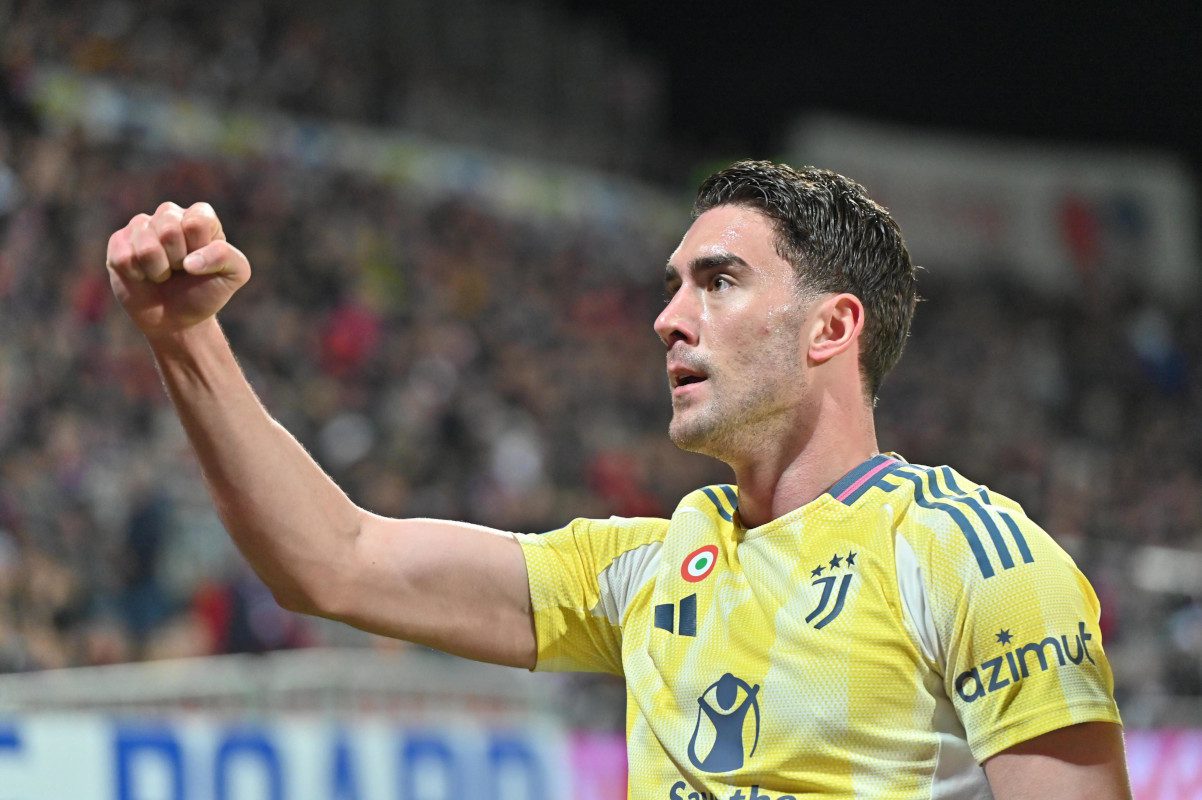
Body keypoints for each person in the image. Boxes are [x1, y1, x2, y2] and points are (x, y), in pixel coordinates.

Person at [105, 160, 1131, 799]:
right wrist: (187, 341)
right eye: (673, 286)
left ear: (831, 326)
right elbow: (337, 560)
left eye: (717, 281)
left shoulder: (971, 558)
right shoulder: (648, 566)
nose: (668, 318)